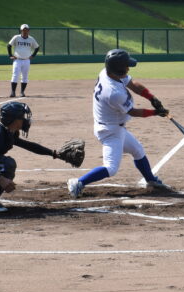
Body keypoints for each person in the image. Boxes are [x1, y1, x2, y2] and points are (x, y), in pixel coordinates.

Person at [67, 49, 170, 199]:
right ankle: (78, 183)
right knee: (111, 168)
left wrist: (152, 98)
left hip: (115, 127)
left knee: (138, 150)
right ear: (118, 69)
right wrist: (155, 113)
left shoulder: (108, 72)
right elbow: (133, 112)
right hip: (109, 131)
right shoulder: (113, 93)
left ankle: (151, 180)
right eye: (126, 66)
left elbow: (133, 84)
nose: (128, 68)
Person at [0, 102, 77, 213]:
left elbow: (28, 145)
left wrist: (54, 153)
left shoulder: (5, 131)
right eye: (22, 117)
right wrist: (1, 179)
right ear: (14, 120)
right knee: (7, 165)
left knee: (1, 164)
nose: (26, 120)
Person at [7, 23, 39, 97]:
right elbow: (9, 45)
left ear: (28, 30)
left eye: (26, 30)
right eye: (23, 30)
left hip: (26, 60)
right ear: (21, 30)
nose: (25, 31)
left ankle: (22, 92)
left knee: (25, 76)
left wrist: (33, 55)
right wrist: (10, 55)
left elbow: (37, 47)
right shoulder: (16, 37)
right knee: (15, 75)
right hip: (17, 60)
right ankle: (13, 92)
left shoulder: (31, 39)